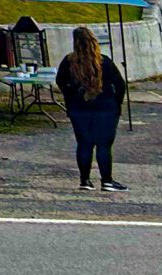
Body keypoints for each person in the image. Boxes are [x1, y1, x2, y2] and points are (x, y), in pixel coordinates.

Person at [55, 25, 128, 193]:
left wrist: (70, 97)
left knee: (84, 144)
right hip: (105, 108)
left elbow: (60, 81)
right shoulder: (104, 61)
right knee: (104, 145)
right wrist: (116, 104)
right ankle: (107, 180)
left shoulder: (68, 62)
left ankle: (85, 180)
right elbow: (119, 84)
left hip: (79, 109)